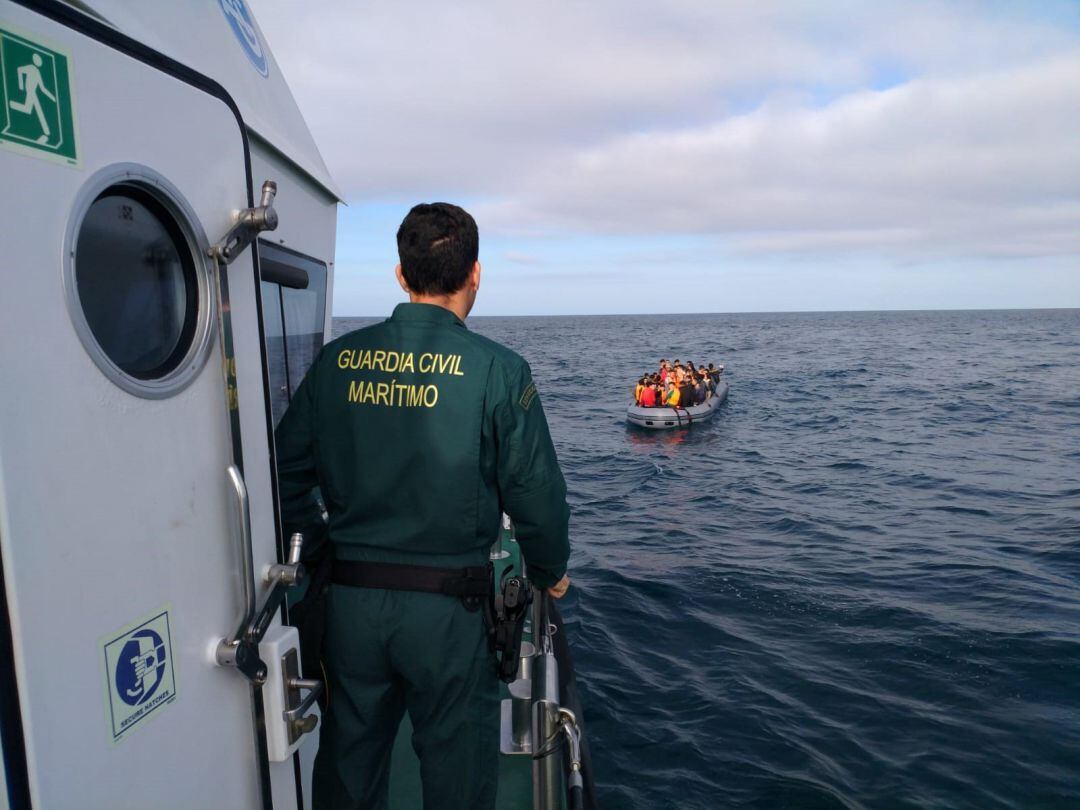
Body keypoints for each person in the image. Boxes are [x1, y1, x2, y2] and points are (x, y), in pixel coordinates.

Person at [275, 203, 572, 810]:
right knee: (456, 778)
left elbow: (284, 471)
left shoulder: (336, 362)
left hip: (351, 606)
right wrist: (549, 572)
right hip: (450, 615)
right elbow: (536, 496)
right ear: (476, 274)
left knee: (348, 766)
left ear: (400, 275)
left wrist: (322, 544)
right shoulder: (499, 370)